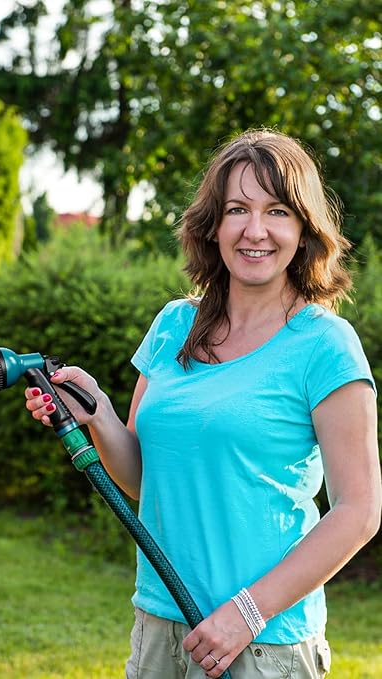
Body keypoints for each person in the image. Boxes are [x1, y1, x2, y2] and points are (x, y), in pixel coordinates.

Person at [24, 129, 381, 678]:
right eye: (237, 209)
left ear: (304, 230)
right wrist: (97, 413)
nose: (255, 230)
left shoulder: (325, 345)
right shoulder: (174, 325)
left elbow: (359, 512)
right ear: (213, 225)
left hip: (263, 642)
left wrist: (246, 613)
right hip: (160, 625)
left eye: (277, 211)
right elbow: (144, 479)